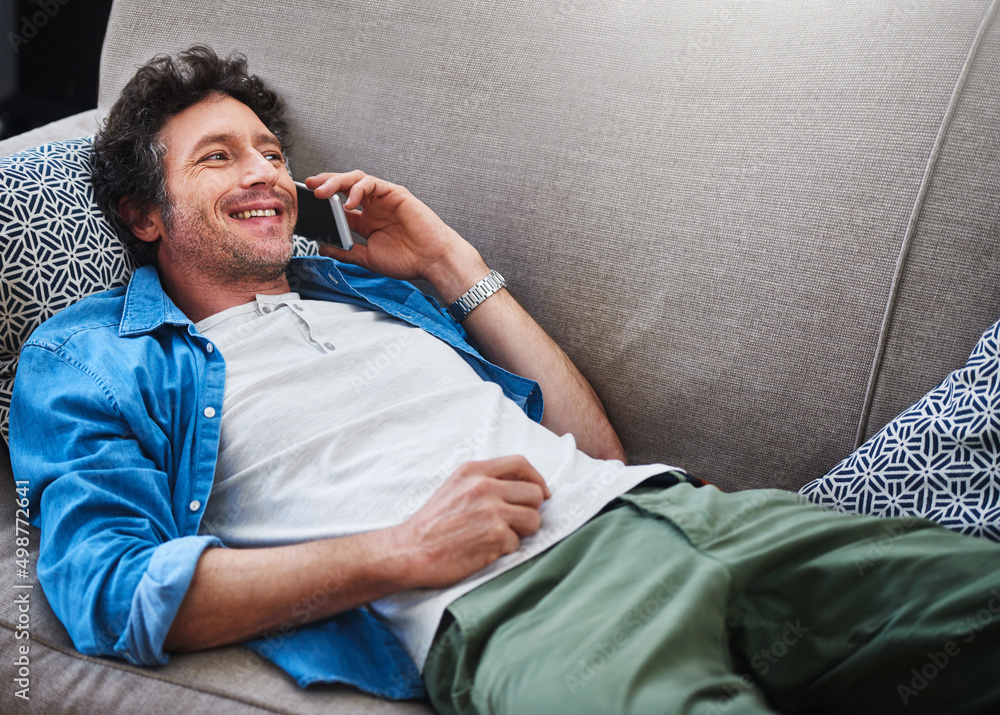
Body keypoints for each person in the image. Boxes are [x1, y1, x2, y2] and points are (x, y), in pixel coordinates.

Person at [9, 46, 999, 715]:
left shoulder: (370, 294)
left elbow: (595, 451)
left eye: (269, 152)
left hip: (686, 517)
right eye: (219, 158)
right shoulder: (88, 353)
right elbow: (115, 588)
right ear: (144, 212)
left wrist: (447, 262)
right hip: (524, 609)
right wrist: (396, 551)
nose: (264, 173)